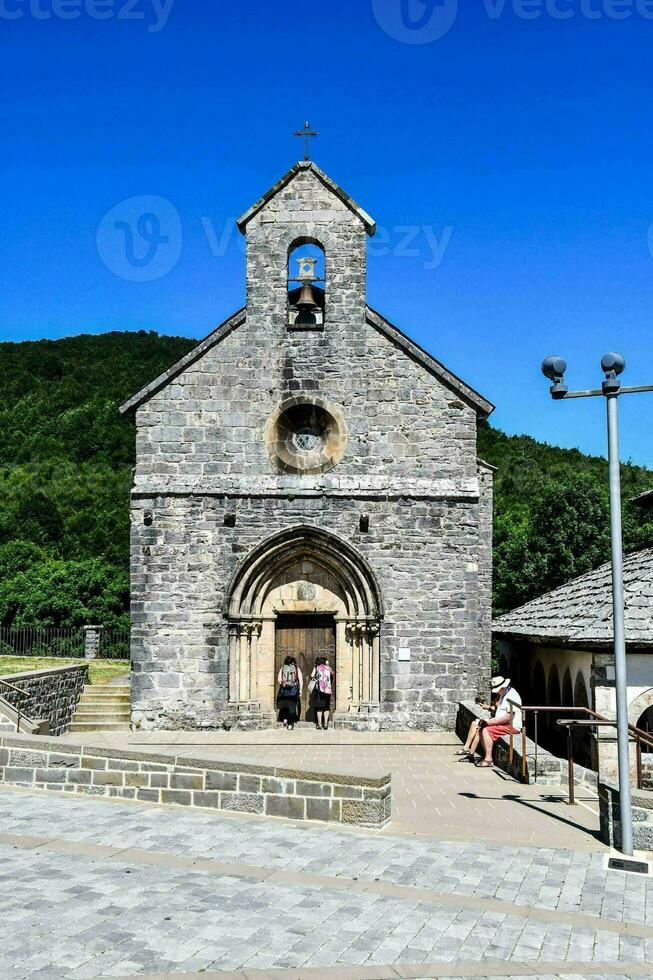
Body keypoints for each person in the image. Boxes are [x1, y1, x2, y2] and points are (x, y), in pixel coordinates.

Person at [476, 676, 523, 768]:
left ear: (503, 687)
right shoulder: (505, 694)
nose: (497, 692)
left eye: (497, 689)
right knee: (483, 728)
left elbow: (509, 717)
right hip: (506, 724)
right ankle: (486, 756)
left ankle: (488, 759)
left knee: (486, 730)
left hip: (512, 726)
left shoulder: (511, 696)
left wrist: (491, 723)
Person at [455, 693, 496, 761]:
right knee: (474, 723)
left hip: (497, 721)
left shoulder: (503, 697)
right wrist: (486, 706)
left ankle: (471, 754)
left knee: (479, 728)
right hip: (495, 719)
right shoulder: (500, 696)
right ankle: (466, 748)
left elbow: (497, 711)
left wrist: (488, 708)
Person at [277, 656, 303, 731]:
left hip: (284, 691)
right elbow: (300, 680)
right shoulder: (296, 668)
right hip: (293, 691)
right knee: (292, 707)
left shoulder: (282, 668)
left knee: (285, 705)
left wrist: (284, 685)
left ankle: (285, 719)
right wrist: (300, 690)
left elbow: (279, 680)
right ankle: (290, 724)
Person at [310, 656, 334, 731]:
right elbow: (332, 674)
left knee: (319, 708)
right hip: (327, 691)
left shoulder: (316, 668)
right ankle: (326, 724)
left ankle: (320, 724)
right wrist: (328, 665)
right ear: (325, 662)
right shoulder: (328, 668)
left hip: (319, 691)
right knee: (326, 707)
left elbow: (312, 675)